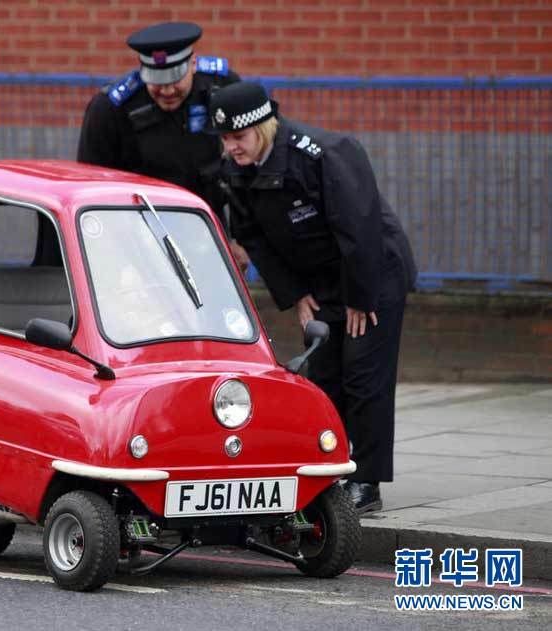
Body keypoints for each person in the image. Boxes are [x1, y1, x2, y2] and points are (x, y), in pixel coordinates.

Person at [206, 82, 417, 514]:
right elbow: (253, 237)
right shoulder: (237, 170)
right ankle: (332, 469)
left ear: (262, 128)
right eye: (224, 139)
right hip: (319, 281)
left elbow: (359, 228)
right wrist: (296, 294)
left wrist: (360, 296)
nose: (231, 148)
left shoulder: (324, 153)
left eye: (238, 138)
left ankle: (366, 483)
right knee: (325, 377)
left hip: (372, 274)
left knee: (363, 376)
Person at [76, 22, 248, 268]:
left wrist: (240, 239)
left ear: (193, 64)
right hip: (138, 235)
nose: (167, 90)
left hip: (206, 227)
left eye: (175, 78)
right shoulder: (110, 109)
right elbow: (90, 186)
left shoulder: (222, 89)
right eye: (156, 80)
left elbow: (245, 168)